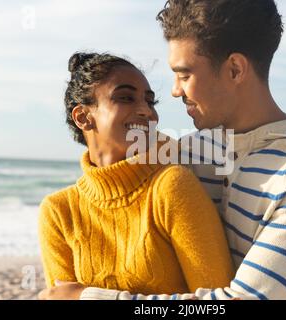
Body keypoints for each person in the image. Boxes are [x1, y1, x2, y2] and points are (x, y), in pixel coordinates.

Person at [73, 0, 286, 300]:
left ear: (234, 69)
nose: (175, 91)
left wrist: (89, 298)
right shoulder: (187, 152)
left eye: (185, 75)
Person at [37, 52, 234, 300]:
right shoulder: (58, 211)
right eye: (125, 98)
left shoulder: (171, 187)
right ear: (83, 117)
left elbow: (216, 304)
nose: (146, 112)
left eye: (150, 102)